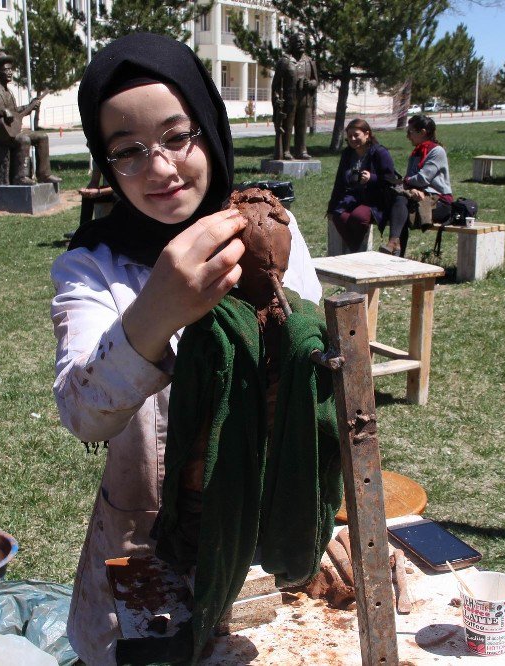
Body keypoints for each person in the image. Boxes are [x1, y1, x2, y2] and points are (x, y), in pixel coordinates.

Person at [50, 32, 322, 665]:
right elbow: (83, 412)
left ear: (210, 126)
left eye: (178, 137)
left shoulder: (268, 229)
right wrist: (159, 309)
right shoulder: (91, 269)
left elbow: (314, 371)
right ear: (105, 162)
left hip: (261, 538)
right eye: (128, 152)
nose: (161, 168)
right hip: (147, 554)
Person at [0, 51, 61, 186]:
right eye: (6, 70)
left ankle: (44, 174)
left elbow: (15, 113)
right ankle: (20, 177)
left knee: (42, 137)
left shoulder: (8, 92)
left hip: (10, 131)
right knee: (24, 139)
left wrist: (30, 106)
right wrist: (2, 112)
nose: (10, 72)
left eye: (11, 69)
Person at [380, 114, 453, 256]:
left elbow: (422, 178)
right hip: (416, 197)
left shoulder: (437, 151)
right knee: (400, 202)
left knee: (400, 209)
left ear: (423, 132)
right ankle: (395, 247)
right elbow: (412, 181)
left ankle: (395, 252)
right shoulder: (416, 152)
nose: (408, 136)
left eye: (410, 132)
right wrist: (411, 188)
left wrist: (406, 183)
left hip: (439, 201)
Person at [326, 118, 397, 254]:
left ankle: (354, 252)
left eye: (356, 135)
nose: (353, 139)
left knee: (359, 217)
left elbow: (390, 179)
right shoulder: (347, 154)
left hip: (375, 199)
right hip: (353, 197)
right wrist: (332, 205)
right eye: (349, 136)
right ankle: (356, 250)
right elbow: (339, 181)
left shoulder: (379, 152)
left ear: (367, 134)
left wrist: (372, 178)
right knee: (338, 215)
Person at [271, 33, 318, 161]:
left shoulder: (309, 61)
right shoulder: (285, 61)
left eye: (303, 42)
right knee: (287, 126)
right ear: (291, 44)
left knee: (302, 126)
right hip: (289, 100)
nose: (301, 44)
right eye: (298, 42)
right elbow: (275, 84)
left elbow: (315, 81)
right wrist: (276, 99)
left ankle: (301, 150)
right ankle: (285, 150)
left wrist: (311, 83)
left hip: (304, 100)